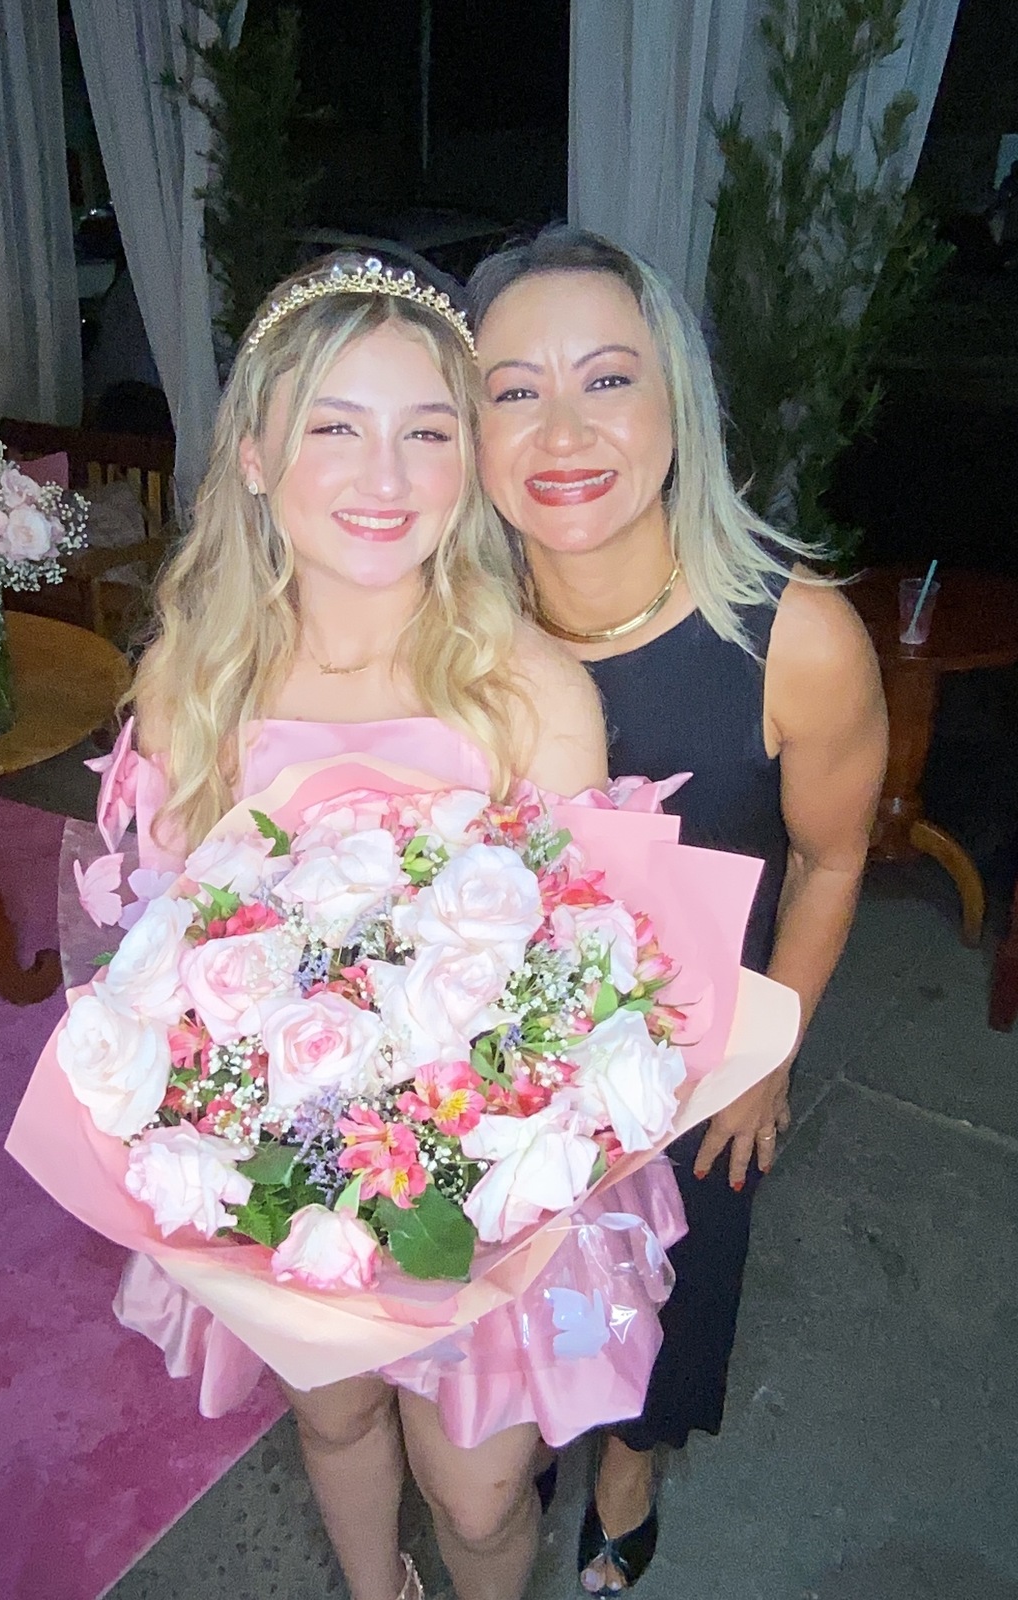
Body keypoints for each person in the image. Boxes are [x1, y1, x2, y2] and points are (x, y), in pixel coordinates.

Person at [120, 253, 615, 1600]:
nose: (385, 476)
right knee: (334, 1418)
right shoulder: (193, 680)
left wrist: (473, 1145)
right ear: (256, 454)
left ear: (469, 465)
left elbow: (584, 978)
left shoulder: (527, 691)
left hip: (482, 1178)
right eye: (336, 425)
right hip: (281, 1170)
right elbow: (163, 955)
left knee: (481, 1489)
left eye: (429, 432)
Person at [467, 227, 888, 1594]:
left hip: (701, 1054)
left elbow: (831, 861)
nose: (563, 431)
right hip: (508, 1068)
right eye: (514, 391)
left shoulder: (794, 636)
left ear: (676, 405)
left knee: (681, 1276)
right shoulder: (452, 632)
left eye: (607, 378)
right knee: (525, 1278)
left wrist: (770, 1051)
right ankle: (539, 1408)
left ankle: (632, 1461)